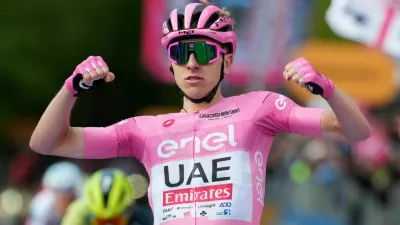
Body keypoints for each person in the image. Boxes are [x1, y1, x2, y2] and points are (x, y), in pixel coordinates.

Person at [29, 0, 371, 224]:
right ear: (171, 65)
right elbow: (47, 142)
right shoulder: (143, 129)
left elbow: (355, 131)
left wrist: (328, 89)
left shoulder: (259, 108)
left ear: (228, 59)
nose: (192, 63)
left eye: (205, 51)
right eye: (180, 53)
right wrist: (71, 88)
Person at [61, 168, 151, 225]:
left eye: (117, 221)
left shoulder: (141, 217)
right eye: (101, 221)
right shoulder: (78, 212)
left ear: (128, 210)